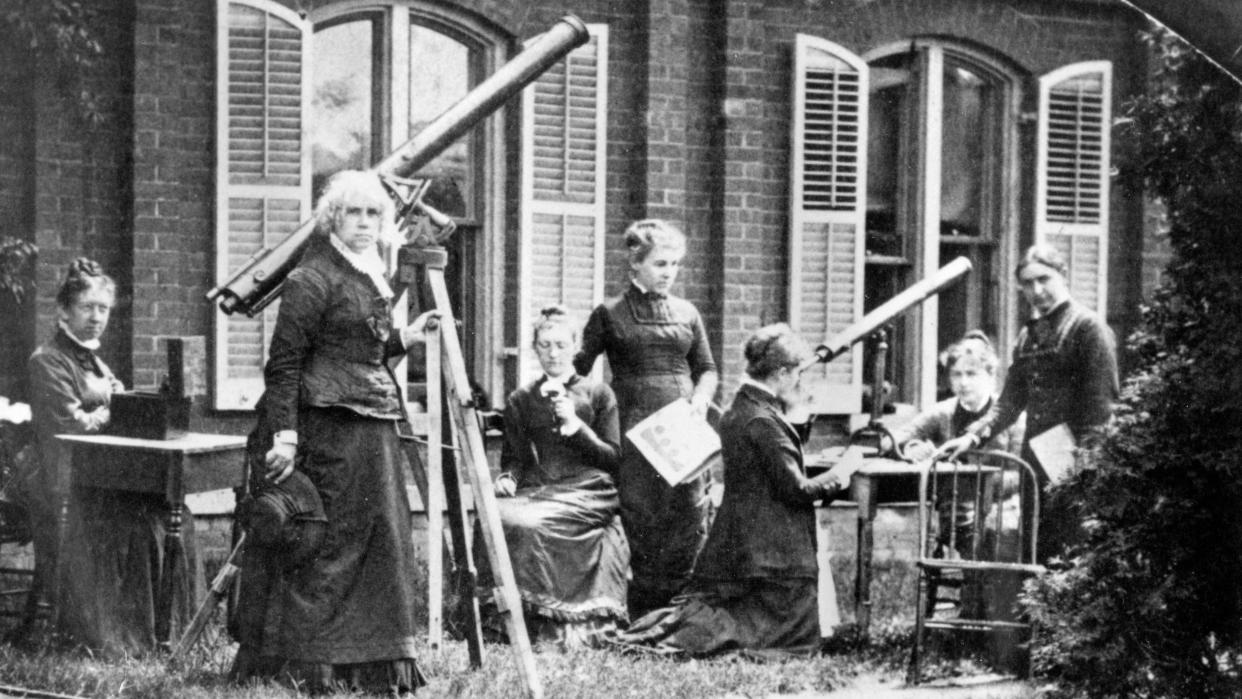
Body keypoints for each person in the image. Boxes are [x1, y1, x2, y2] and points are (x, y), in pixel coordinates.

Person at [230, 170, 432, 696]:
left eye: (374, 214)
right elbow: (285, 364)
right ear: (332, 218)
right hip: (327, 429)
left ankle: (372, 664)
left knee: (382, 540)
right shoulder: (312, 277)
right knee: (330, 547)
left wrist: (406, 337)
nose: (365, 223)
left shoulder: (367, 273)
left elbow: (364, 349)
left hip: (373, 424)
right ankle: (317, 664)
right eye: (354, 213)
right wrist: (285, 437)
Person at [612, 323, 847, 655]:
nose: (799, 382)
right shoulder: (762, 419)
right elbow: (797, 490)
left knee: (733, 621)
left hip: (743, 542)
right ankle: (661, 640)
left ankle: (658, 634)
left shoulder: (742, 407)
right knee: (775, 639)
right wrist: (843, 470)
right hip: (770, 553)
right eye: (796, 374)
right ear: (781, 373)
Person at [26, 258, 203, 653]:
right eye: (86, 307)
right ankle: (124, 636)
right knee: (143, 526)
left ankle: (172, 633)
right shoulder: (48, 361)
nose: (96, 318)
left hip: (98, 480)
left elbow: (116, 399)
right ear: (63, 312)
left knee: (171, 516)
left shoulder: (94, 360)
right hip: (63, 483)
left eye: (103, 309)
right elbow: (72, 426)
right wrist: (114, 410)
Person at [573, 219, 719, 618]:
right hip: (633, 426)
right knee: (640, 510)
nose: (668, 273)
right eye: (659, 264)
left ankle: (676, 609)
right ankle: (637, 609)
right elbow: (579, 370)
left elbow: (707, 368)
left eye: (674, 265)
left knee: (687, 510)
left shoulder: (687, 312)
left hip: (682, 427)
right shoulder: (609, 313)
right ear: (634, 264)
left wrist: (702, 398)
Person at [938, 244, 1119, 560]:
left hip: (1078, 464)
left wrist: (1086, 469)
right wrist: (971, 435)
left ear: (1062, 276)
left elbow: (1100, 411)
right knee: (1036, 551)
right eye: (1028, 283)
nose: (1037, 290)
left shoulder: (1088, 328)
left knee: (1076, 552)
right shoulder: (1028, 338)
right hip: (1036, 463)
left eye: (1044, 279)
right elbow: (1009, 402)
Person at [477, 305, 628, 648]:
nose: (553, 353)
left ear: (576, 347)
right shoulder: (521, 399)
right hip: (542, 486)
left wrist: (578, 428)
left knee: (534, 525)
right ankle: (505, 621)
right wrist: (508, 478)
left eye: (561, 344)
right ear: (535, 349)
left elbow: (613, 459)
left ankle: (552, 625)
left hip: (590, 488)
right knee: (498, 516)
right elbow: (514, 459)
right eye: (545, 345)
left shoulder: (598, 394)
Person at [894, 331, 1025, 557]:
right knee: (967, 535)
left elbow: (1018, 475)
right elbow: (900, 437)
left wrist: (973, 483)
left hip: (1001, 508)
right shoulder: (943, 412)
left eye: (972, 374)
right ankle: (973, 586)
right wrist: (911, 448)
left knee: (996, 539)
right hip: (954, 512)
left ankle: (977, 589)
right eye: (957, 375)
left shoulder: (1012, 419)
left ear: (991, 375)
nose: (963, 383)